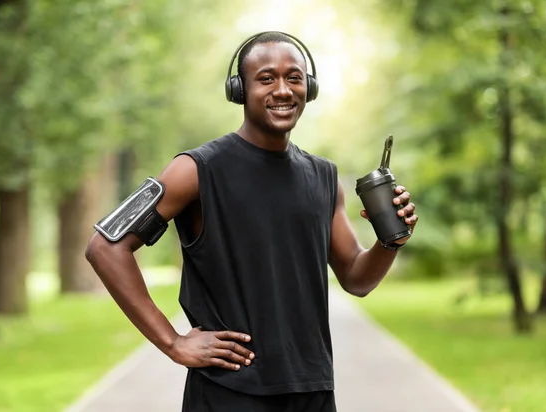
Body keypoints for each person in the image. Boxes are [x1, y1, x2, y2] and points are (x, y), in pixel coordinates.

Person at [85, 31, 418, 412]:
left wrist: (389, 240)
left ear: (308, 89)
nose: (282, 90)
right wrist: (172, 342)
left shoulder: (325, 178)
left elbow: (357, 279)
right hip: (229, 393)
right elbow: (106, 247)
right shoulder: (195, 170)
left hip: (312, 390)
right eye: (266, 78)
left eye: (294, 78)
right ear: (239, 89)